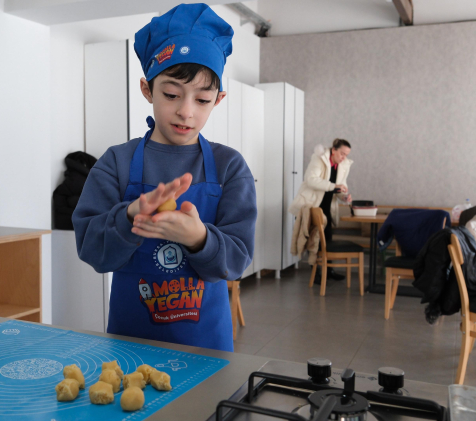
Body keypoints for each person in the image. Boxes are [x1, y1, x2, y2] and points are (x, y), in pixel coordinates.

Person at [72, 3, 256, 353]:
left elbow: (237, 259)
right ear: (147, 90)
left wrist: (199, 238)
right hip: (131, 346)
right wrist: (130, 216)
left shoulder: (229, 166)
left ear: (218, 100)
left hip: (206, 349)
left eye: (202, 99)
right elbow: (92, 250)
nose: (186, 111)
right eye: (171, 95)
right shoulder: (117, 163)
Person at [289, 139, 353, 282]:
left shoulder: (343, 165)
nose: (343, 157)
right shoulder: (319, 159)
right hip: (312, 206)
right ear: (334, 150)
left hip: (327, 207)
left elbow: (339, 188)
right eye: (342, 153)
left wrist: (344, 197)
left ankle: (328, 270)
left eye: (346, 155)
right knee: (313, 241)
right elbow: (311, 179)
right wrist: (334, 186)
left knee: (327, 240)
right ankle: (315, 273)